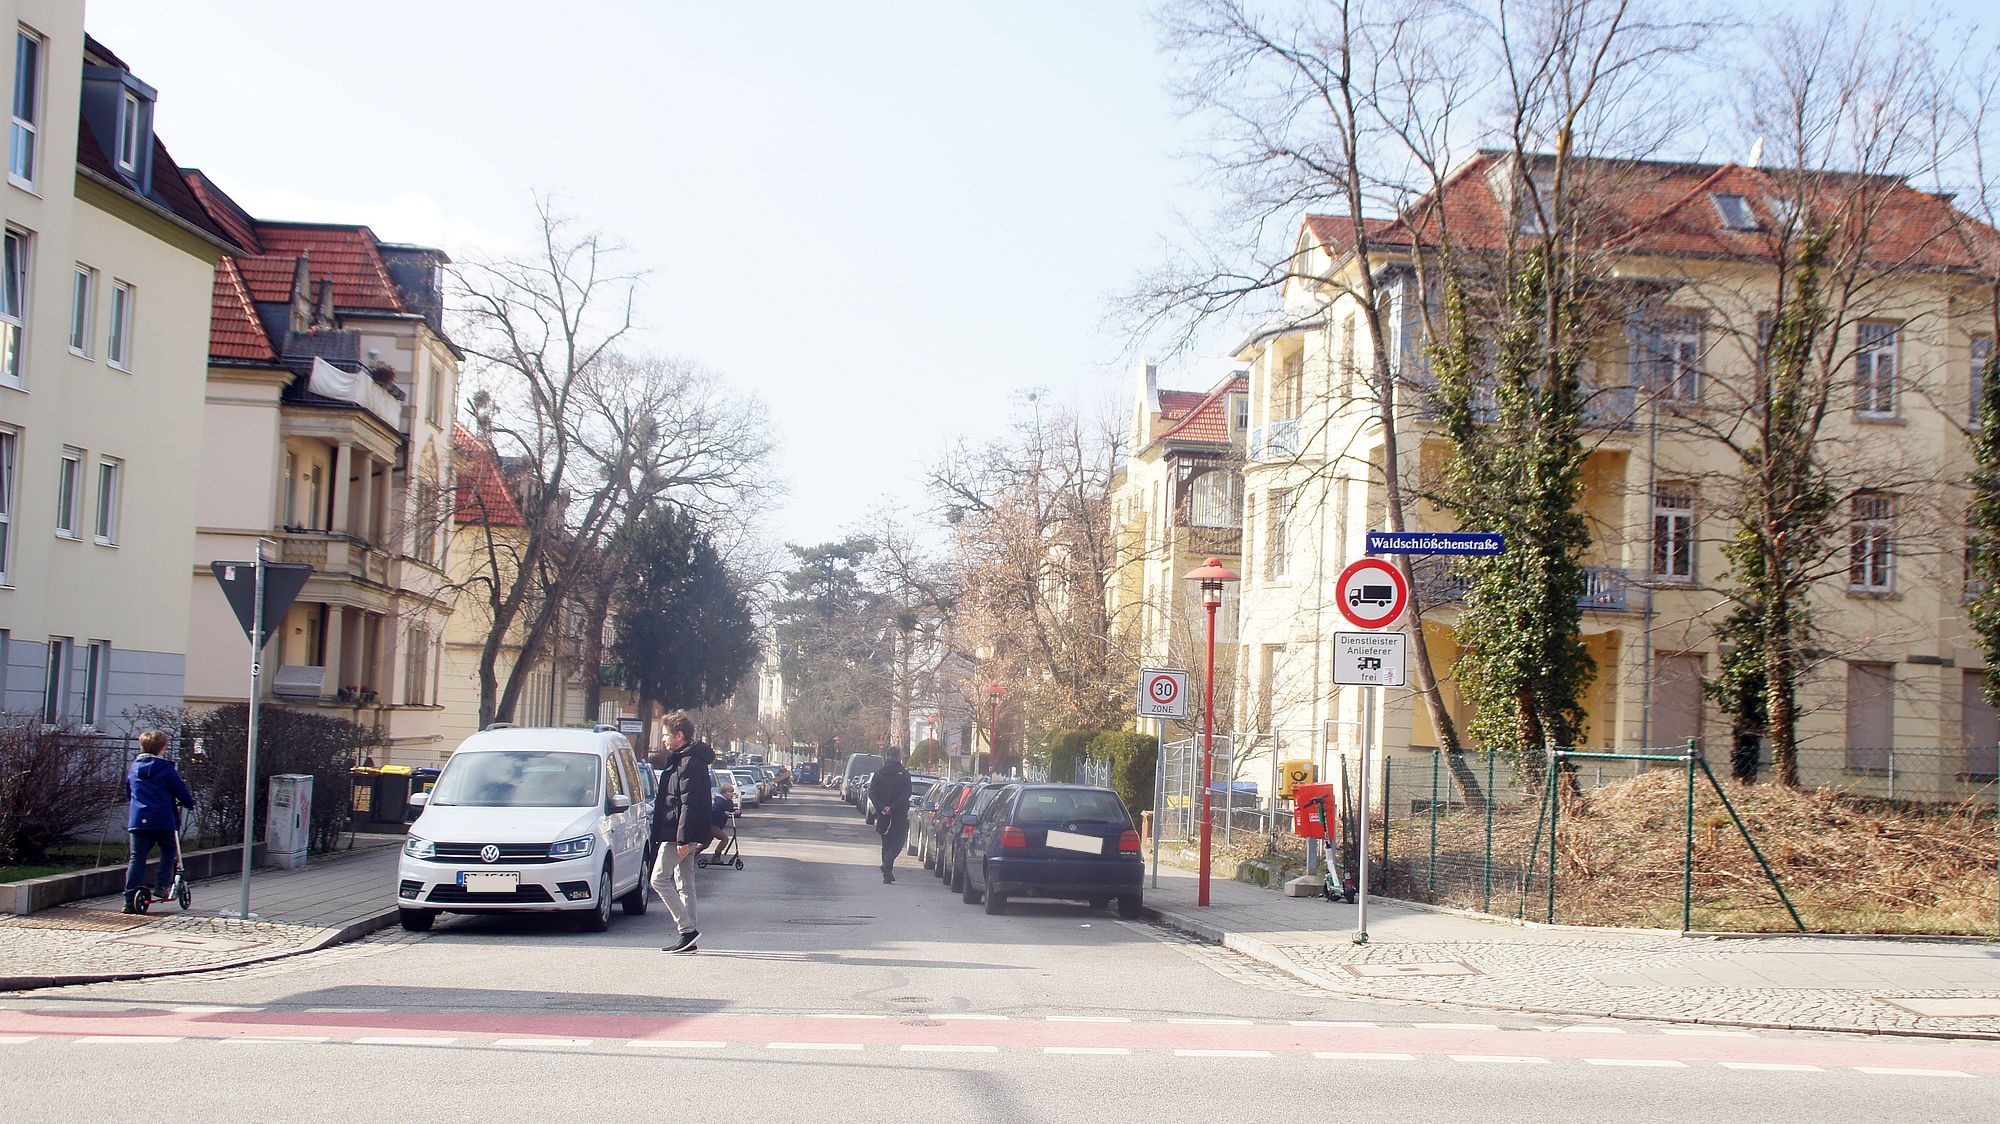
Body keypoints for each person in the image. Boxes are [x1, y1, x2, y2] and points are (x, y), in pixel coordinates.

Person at [649, 714, 714, 953]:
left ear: (680, 736)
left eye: (666, 734)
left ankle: (687, 930)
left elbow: (689, 803)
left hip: (679, 833)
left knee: (658, 879)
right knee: (685, 883)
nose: (664, 739)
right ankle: (689, 938)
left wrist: (683, 838)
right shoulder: (683, 758)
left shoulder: (689, 762)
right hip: (683, 832)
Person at [124, 730, 195, 914]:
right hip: (163, 819)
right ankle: (161, 885)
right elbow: (180, 790)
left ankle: (129, 898)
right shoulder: (165, 768)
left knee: (137, 857)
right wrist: (189, 803)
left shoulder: (134, 768)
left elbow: (128, 791)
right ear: (162, 748)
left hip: (138, 820)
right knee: (168, 849)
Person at [868, 748, 913, 883]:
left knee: (886, 843)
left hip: (883, 814)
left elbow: (872, 793)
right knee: (898, 842)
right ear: (899, 757)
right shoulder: (904, 775)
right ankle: (887, 865)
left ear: (887, 757)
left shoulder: (879, 774)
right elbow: (906, 794)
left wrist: (882, 807)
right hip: (899, 814)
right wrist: (892, 807)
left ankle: (887, 873)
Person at [705, 784, 739, 858]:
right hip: (713, 825)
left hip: (718, 825)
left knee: (706, 844)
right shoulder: (719, 802)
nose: (732, 794)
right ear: (724, 793)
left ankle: (694, 854)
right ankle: (716, 856)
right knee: (724, 839)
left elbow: (731, 811)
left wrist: (736, 812)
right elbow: (713, 812)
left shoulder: (729, 801)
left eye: (732, 792)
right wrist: (723, 814)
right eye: (730, 792)